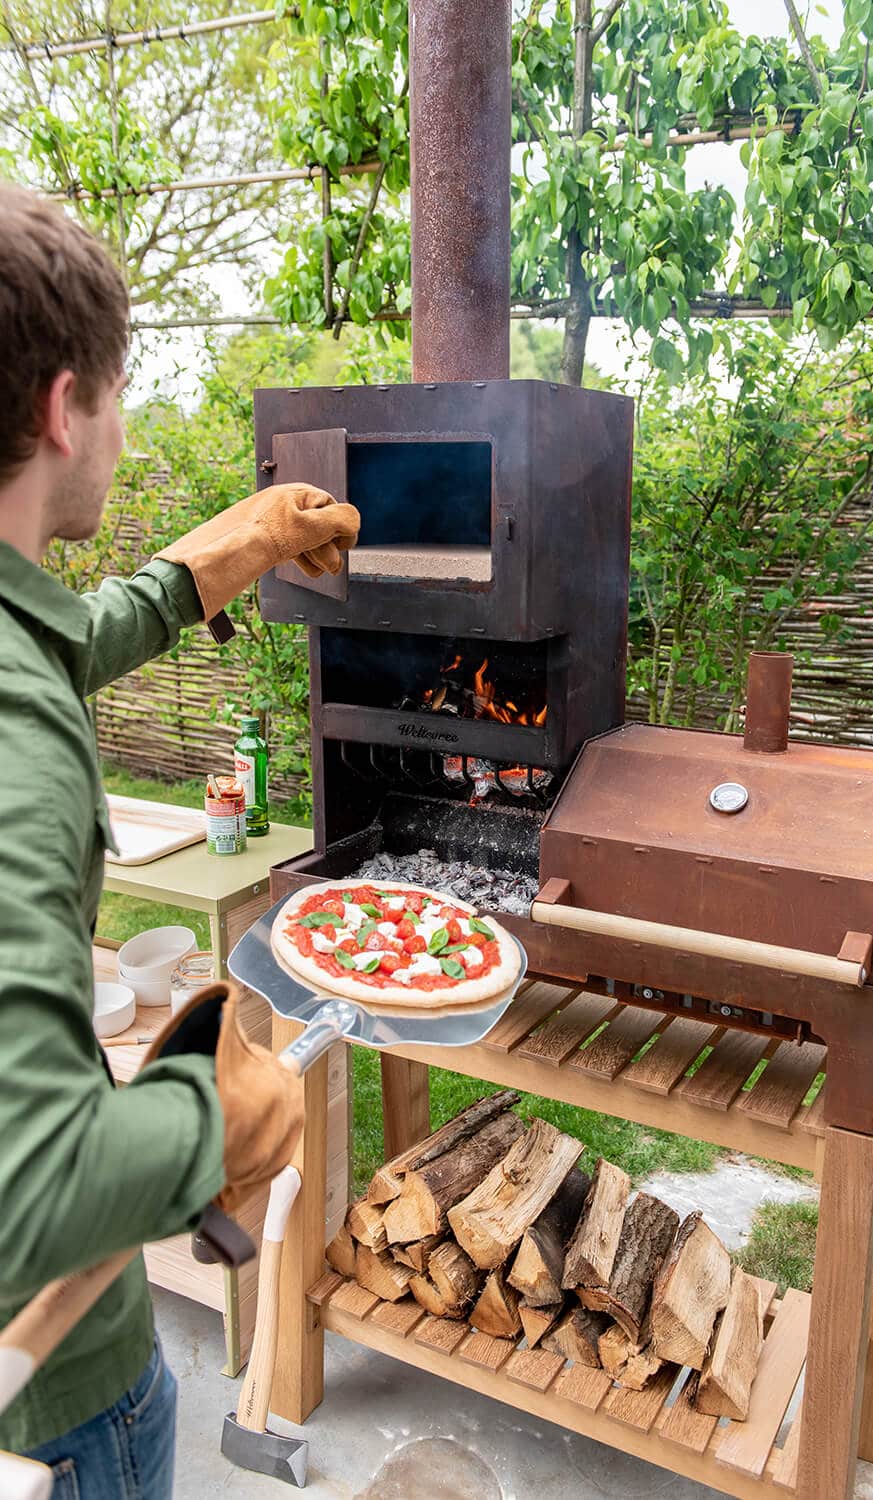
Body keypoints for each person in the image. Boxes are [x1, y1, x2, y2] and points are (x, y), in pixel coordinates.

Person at [0, 182, 360, 1498]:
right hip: (50, 1398)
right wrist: (214, 1119)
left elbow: (54, 632)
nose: (122, 421)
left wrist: (232, 551)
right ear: (59, 408)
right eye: (115, 392)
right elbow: (35, 1184)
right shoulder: (17, 745)